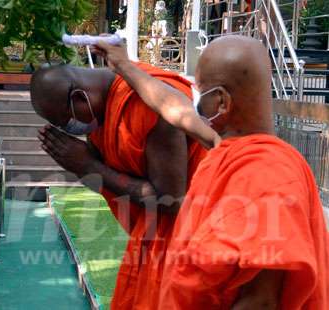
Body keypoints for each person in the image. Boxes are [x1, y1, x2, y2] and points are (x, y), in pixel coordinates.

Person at [93, 35, 329, 309]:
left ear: (221, 102)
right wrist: (123, 65)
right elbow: (173, 109)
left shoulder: (266, 172)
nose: (194, 102)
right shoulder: (229, 149)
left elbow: (261, 302)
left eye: (199, 91)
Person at [30, 63, 207, 309]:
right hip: (151, 241)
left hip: (196, 234)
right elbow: (110, 185)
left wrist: (89, 166)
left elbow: (170, 200)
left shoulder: (150, 104)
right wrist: (83, 167)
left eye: (65, 121)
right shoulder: (99, 114)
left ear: (80, 97)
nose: (69, 129)